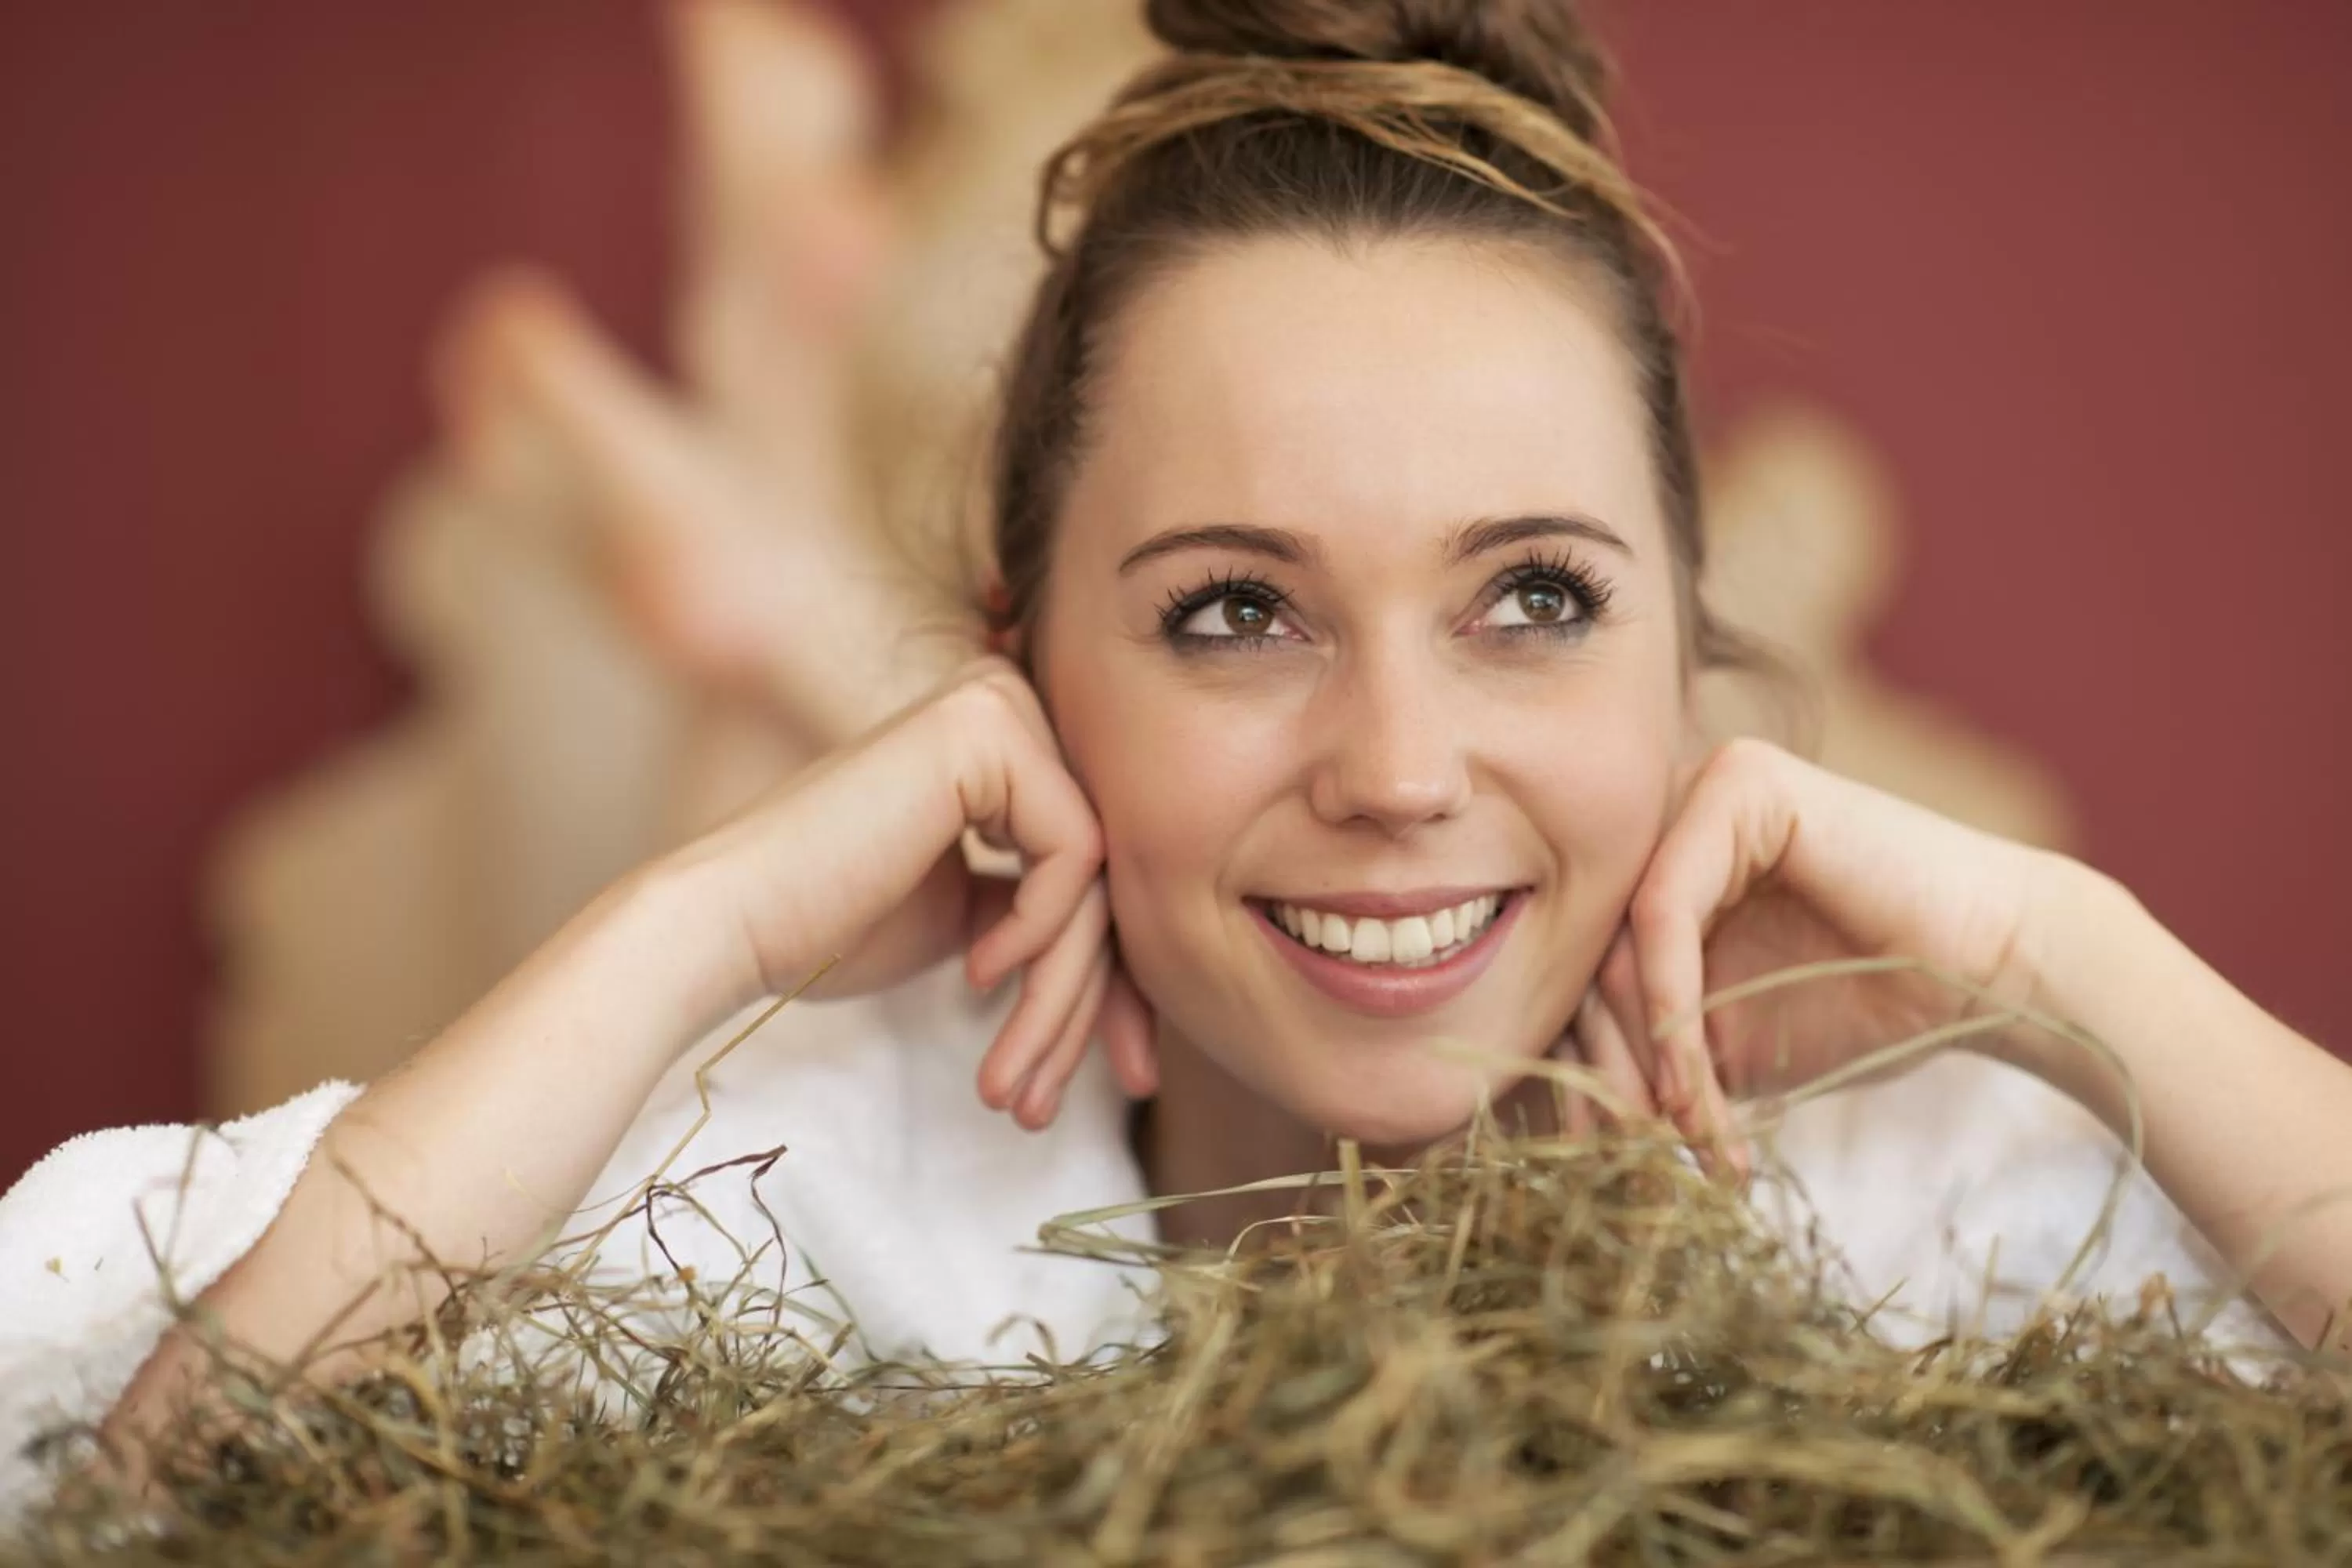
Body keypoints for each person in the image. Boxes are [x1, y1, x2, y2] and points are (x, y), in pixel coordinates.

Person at [5, 0, 2348, 1523]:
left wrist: (2072, 952)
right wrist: (695, 919)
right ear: (1019, 689)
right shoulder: (781, 1191)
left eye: (1535, 597)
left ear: (1681, 665)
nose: (1404, 766)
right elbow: (149, 1495)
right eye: (1238, 613)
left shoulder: (1935, 1175)